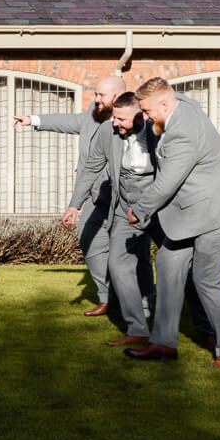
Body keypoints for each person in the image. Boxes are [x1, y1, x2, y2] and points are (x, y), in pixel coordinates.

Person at [124, 78, 220, 368]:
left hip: (219, 212)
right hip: (195, 212)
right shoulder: (180, 104)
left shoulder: (182, 132)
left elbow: (167, 183)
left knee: (206, 280)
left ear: (164, 104)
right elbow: (169, 94)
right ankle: (163, 343)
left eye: (147, 111)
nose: (145, 118)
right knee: (168, 263)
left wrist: (140, 211)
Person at [13, 74, 126, 316]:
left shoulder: (133, 118)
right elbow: (70, 121)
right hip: (95, 195)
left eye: (101, 95)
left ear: (116, 97)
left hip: (124, 199)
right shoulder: (94, 114)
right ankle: (107, 297)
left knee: (131, 251)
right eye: (95, 94)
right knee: (89, 241)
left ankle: (143, 303)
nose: (96, 99)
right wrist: (33, 120)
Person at [70, 93, 159, 347]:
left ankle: (204, 327)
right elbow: (91, 168)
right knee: (118, 264)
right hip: (125, 207)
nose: (115, 122)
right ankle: (137, 328)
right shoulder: (108, 132)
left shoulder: (158, 132)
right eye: (114, 117)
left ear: (140, 116)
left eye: (121, 118)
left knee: (177, 266)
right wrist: (74, 204)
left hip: (159, 206)